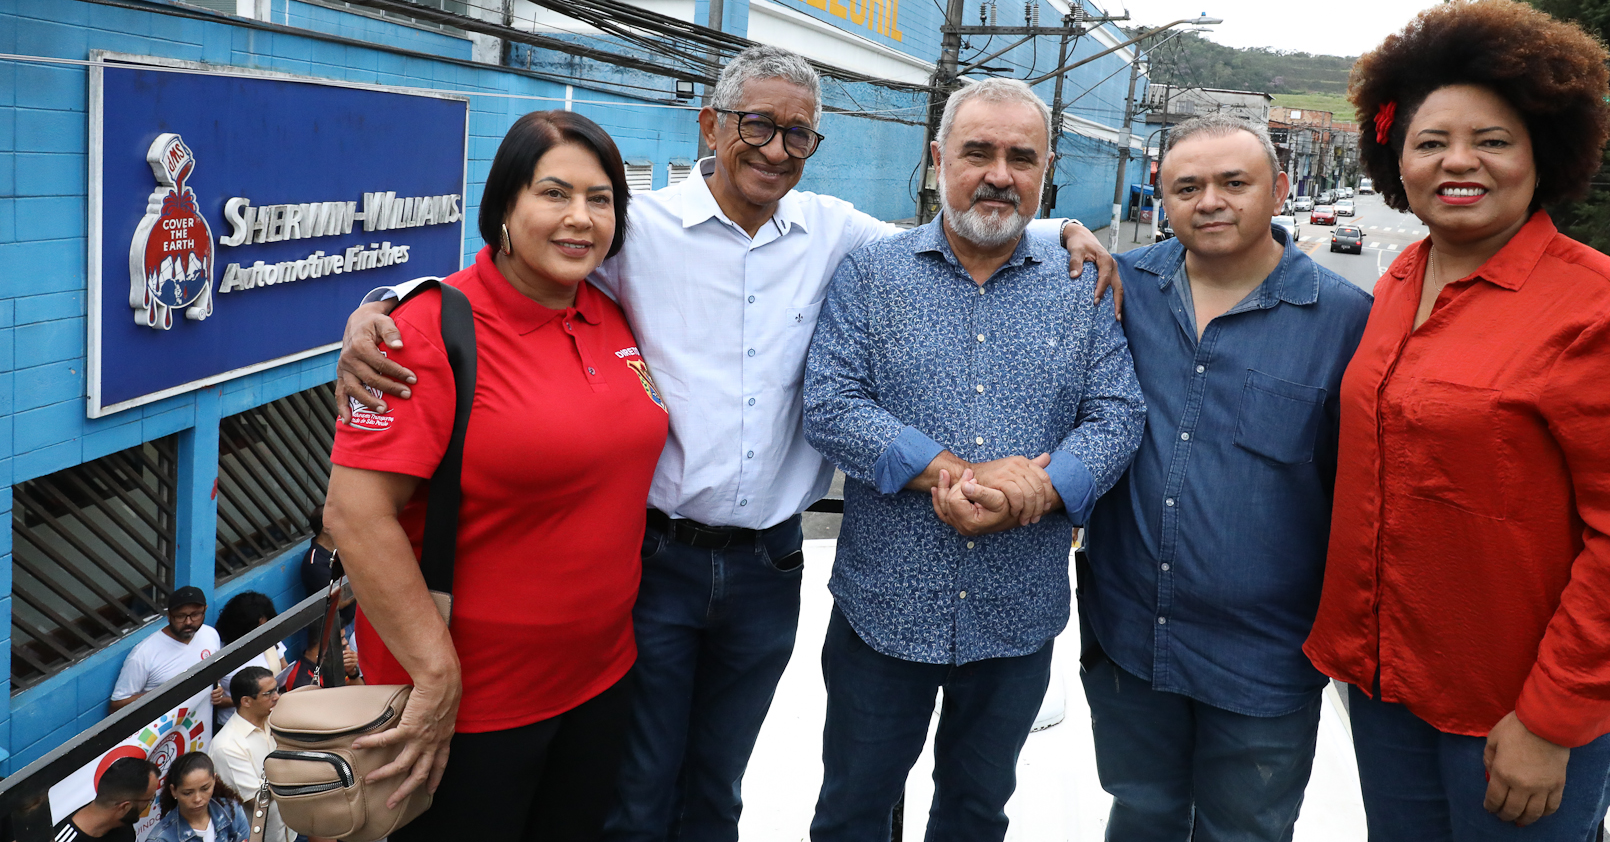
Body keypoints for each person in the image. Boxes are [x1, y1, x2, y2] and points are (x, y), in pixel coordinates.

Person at [333, 46, 1122, 842]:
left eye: (798, 134)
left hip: (768, 570)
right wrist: (383, 306)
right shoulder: (631, 227)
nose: (776, 149)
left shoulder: (835, 233)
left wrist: (1059, 229)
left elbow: (962, 230)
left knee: (719, 787)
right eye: (757, 124)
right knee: (636, 795)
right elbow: (514, 269)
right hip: (654, 567)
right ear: (710, 123)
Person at [1302, 0, 1610, 839]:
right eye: (1431, 142)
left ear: (1541, 152)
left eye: (1493, 140)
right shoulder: (1401, 278)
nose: (1458, 162)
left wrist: (1551, 720)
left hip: (1517, 717)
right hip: (1386, 689)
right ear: (1394, 158)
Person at [801, 77, 1144, 842]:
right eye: (977, 151)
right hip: (883, 612)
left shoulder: (1079, 282)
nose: (999, 172)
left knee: (976, 813)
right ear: (936, 159)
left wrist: (1042, 490)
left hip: (1015, 616)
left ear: (1046, 170)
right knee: (853, 809)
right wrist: (952, 472)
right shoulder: (871, 273)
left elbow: (1118, 413)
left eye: (1021, 156)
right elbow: (831, 402)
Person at [324, 110, 671, 842]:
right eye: (554, 193)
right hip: (468, 710)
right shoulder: (423, 330)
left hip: (600, 683)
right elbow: (354, 517)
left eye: (600, 198)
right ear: (504, 209)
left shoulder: (612, 312)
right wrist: (438, 677)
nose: (580, 218)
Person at [1081, 115, 1372, 841]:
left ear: (1278, 190)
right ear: (1162, 195)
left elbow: (1363, 497)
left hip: (1265, 659)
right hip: (1129, 638)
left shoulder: (1343, 322)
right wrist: (1059, 226)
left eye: (1233, 183)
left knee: (1244, 830)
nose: (1210, 200)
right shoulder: (1121, 288)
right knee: (1141, 813)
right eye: (1188, 186)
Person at [109, 587, 223, 714]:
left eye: (195, 614)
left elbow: (215, 675)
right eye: (180, 616)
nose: (188, 622)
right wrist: (165, 694)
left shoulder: (210, 635)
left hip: (200, 727)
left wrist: (216, 689)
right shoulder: (143, 654)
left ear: (205, 610)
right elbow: (116, 706)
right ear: (169, 616)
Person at [210, 666, 284, 842]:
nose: (277, 697)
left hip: (292, 831)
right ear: (246, 701)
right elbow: (258, 799)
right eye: (268, 693)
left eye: (276, 689)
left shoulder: (277, 721)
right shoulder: (227, 746)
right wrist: (296, 772)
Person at [213, 592, 285, 728]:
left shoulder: (269, 638)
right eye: (256, 628)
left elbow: (284, 666)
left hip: (272, 718)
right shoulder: (219, 653)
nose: (261, 632)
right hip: (236, 724)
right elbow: (216, 700)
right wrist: (252, 700)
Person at [142, 752, 246, 842]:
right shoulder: (161, 838)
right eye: (188, 793)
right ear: (174, 791)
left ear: (214, 780)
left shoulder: (232, 810)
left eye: (205, 789)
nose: (198, 799)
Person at [54, 757, 160, 842]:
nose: (149, 805)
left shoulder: (123, 825)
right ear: (125, 807)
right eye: (148, 800)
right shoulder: (64, 838)